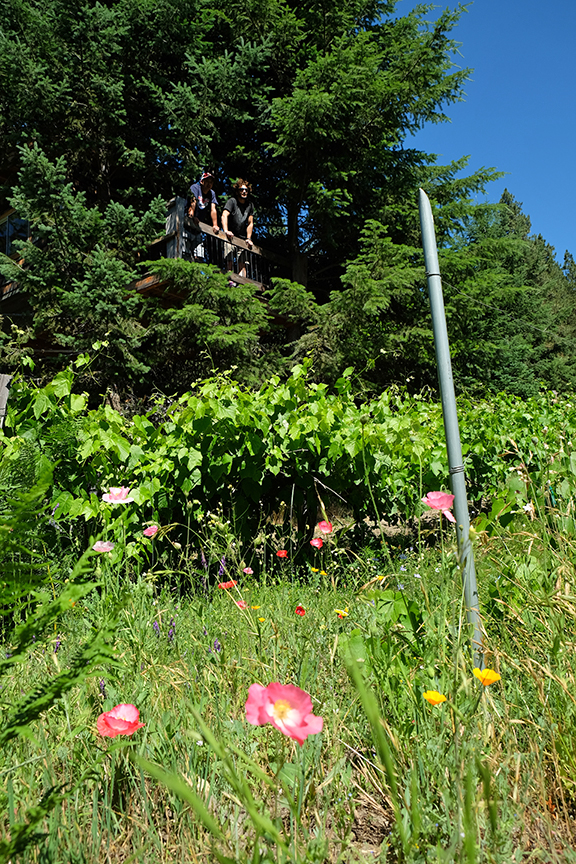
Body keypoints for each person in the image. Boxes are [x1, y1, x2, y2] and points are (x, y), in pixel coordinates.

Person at [222, 179, 254, 278]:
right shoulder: (232, 201)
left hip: (242, 237)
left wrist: (248, 238)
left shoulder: (250, 205)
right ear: (237, 191)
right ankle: (230, 281)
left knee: (242, 263)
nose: (244, 192)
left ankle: (241, 285)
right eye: (241, 190)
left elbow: (250, 223)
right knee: (229, 260)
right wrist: (226, 231)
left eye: (246, 190)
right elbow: (224, 215)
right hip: (230, 236)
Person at [188, 171, 220, 260]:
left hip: (198, 228)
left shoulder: (211, 194)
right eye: (207, 181)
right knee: (186, 252)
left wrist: (215, 225)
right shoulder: (195, 188)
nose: (209, 184)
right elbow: (193, 202)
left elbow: (213, 209)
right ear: (202, 181)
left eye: (211, 182)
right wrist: (192, 216)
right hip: (189, 225)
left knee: (199, 255)